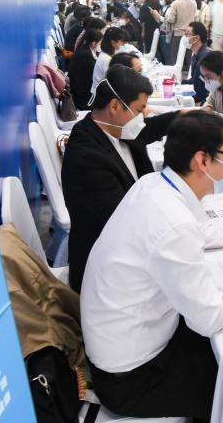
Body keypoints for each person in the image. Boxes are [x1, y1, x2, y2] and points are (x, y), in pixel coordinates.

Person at [80, 111, 223, 423]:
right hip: (132, 378)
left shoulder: (152, 185)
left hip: (123, 345)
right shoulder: (172, 221)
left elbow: (187, 233)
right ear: (202, 160)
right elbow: (209, 318)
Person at [62, 65, 182, 292]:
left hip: (130, 244)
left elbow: (147, 130)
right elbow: (122, 223)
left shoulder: (114, 128)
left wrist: (180, 117)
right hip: (106, 270)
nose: (143, 117)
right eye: (139, 110)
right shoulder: (87, 157)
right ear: (115, 106)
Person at [164, 0, 196, 72]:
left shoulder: (175, 3)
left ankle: (178, 77)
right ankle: (189, 77)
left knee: (177, 60)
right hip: (190, 35)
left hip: (178, 35)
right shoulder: (193, 3)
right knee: (188, 58)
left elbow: (171, 20)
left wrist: (166, 16)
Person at [70, 28, 103, 110]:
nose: (101, 45)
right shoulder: (85, 55)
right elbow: (96, 73)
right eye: (100, 42)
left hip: (80, 89)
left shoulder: (85, 49)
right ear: (94, 43)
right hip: (82, 97)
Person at [91, 27, 129, 92]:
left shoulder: (106, 54)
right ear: (113, 43)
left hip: (103, 90)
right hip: (101, 94)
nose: (124, 44)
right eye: (122, 42)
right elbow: (115, 81)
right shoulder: (106, 60)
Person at [187, 21, 212, 104]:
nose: (185, 37)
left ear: (196, 38)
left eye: (187, 34)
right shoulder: (196, 55)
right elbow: (194, 80)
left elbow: (202, 93)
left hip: (204, 102)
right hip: (198, 97)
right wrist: (178, 81)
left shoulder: (204, 58)